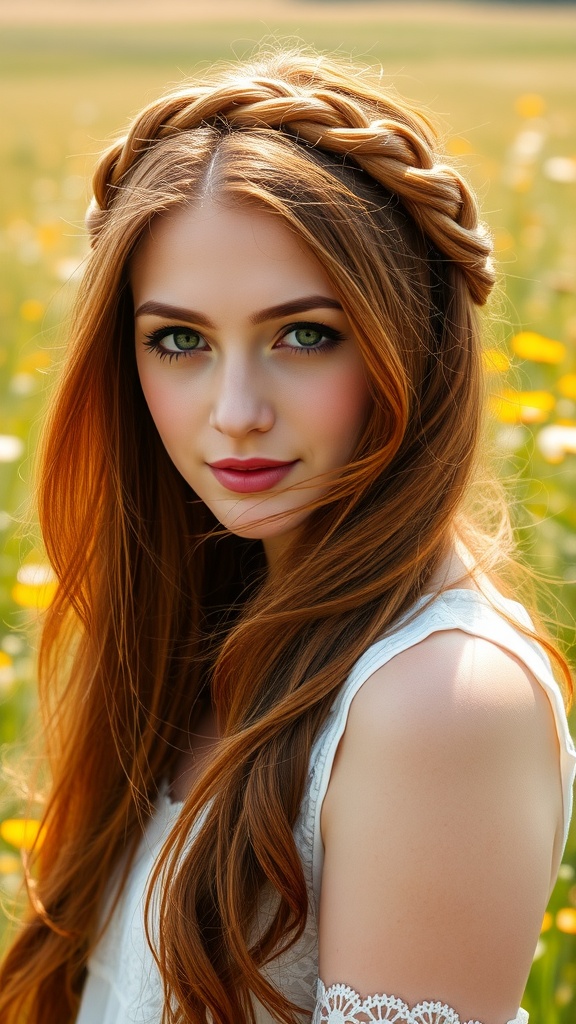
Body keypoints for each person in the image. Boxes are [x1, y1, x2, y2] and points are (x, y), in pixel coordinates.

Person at [0, 47, 574, 1024]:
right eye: (178, 340)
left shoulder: (437, 705)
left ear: (414, 341)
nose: (233, 413)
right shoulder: (209, 627)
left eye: (305, 334)